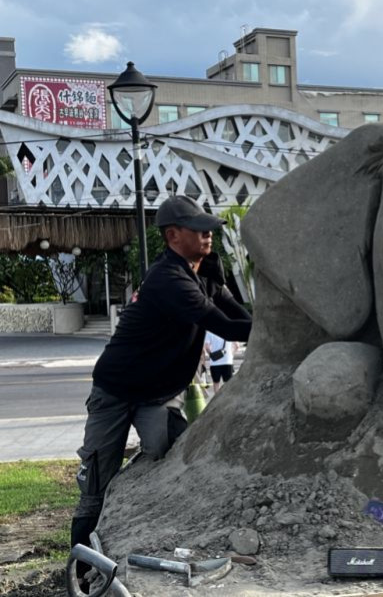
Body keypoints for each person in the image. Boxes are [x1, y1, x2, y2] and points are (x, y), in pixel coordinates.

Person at [70, 195, 252, 563]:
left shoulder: (205, 275)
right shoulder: (168, 279)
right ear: (173, 236)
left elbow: (242, 316)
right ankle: (82, 567)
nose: (208, 236)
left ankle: (133, 507)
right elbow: (225, 326)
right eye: (198, 230)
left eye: (209, 229)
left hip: (159, 395)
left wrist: (277, 325)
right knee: (94, 485)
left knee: (170, 452)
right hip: (115, 391)